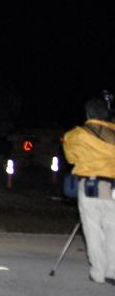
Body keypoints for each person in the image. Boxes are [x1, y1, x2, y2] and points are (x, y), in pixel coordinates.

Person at [61, 96, 115, 285]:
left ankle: (98, 271)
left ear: (88, 113)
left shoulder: (77, 135)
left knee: (93, 228)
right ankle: (112, 271)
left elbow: (70, 157)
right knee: (112, 228)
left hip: (90, 185)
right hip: (113, 187)